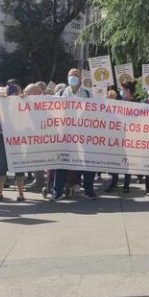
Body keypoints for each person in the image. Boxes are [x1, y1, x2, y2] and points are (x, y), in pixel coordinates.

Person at [51, 69, 97, 200]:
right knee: (61, 161)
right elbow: (50, 109)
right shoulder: (60, 93)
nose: (73, 77)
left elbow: (96, 112)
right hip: (65, 134)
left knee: (88, 161)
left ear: (81, 78)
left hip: (84, 134)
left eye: (76, 75)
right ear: (67, 77)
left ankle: (89, 190)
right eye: (71, 75)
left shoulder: (88, 94)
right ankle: (57, 191)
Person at [0, 86, 25, 202]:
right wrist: (2, 103)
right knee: (2, 167)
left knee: (19, 166)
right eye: (9, 94)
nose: (11, 96)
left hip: (18, 138)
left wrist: (24, 100)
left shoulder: (22, 104)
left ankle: (21, 194)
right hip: (2, 138)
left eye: (14, 94)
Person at [107, 81, 135, 193]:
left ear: (128, 91)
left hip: (131, 137)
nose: (121, 91)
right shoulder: (117, 103)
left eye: (122, 89)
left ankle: (126, 185)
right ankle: (114, 182)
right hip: (118, 136)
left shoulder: (137, 103)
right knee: (115, 160)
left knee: (127, 162)